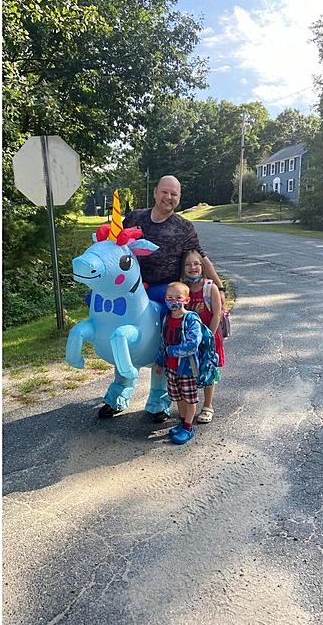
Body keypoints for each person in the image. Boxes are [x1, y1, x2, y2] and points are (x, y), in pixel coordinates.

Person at [123, 176, 224, 304]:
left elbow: (201, 257)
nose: (168, 197)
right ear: (155, 192)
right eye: (164, 192)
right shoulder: (133, 218)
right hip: (130, 286)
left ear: (179, 197)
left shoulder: (184, 227)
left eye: (174, 194)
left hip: (166, 292)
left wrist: (220, 288)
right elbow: (116, 246)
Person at [154, 282, 204, 444]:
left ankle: (188, 428)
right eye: (169, 297)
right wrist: (160, 362)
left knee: (189, 399)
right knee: (178, 397)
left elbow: (193, 344)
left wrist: (173, 351)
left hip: (187, 369)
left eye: (178, 297)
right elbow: (163, 342)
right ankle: (183, 423)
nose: (173, 301)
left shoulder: (191, 319)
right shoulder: (166, 319)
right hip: (171, 368)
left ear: (187, 300)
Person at [182, 249, 225, 424]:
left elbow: (217, 313)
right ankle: (189, 405)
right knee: (190, 371)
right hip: (190, 340)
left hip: (209, 337)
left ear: (202, 266)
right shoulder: (183, 288)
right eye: (188, 264)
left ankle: (208, 406)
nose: (192, 267)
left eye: (196, 264)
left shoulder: (210, 287)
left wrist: (208, 336)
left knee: (208, 370)